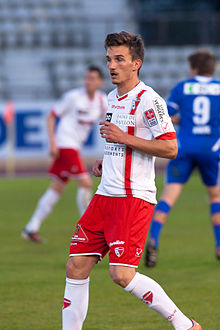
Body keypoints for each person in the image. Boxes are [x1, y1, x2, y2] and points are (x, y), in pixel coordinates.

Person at [62, 31, 202, 330]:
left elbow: (170, 147)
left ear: (136, 63)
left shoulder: (149, 100)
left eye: (119, 59)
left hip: (132, 198)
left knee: (122, 275)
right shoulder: (112, 97)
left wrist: (123, 139)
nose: (112, 65)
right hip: (104, 196)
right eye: (109, 59)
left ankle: (185, 325)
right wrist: (108, 159)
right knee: (76, 266)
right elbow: (122, 143)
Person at [145, 49, 220, 268]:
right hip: (210, 148)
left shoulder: (182, 87)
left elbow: (166, 114)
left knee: (168, 196)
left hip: (183, 147)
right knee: (215, 197)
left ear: (194, 68)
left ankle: (154, 239)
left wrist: (185, 121)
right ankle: (218, 246)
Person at [22, 65, 107, 243]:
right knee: (85, 182)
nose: (88, 82)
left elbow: (109, 121)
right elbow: (51, 116)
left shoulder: (101, 100)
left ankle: (31, 228)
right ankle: (89, 230)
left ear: (100, 82)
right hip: (65, 145)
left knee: (57, 187)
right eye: (86, 78)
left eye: (92, 78)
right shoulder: (73, 97)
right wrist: (53, 143)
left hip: (74, 147)